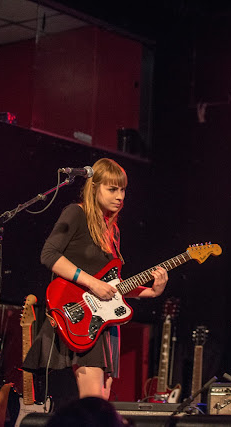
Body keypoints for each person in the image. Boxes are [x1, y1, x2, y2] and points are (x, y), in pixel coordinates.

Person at [23, 158, 169, 400]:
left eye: (123, 190)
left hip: (105, 323)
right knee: (93, 404)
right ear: (94, 187)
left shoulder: (113, 231)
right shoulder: (76, 213)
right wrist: (92, 283)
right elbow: (49, 255)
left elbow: (114, 287)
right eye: (113, 189)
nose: (120, 196)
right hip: (79, 314)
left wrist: (152, 292)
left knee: (101, 400)